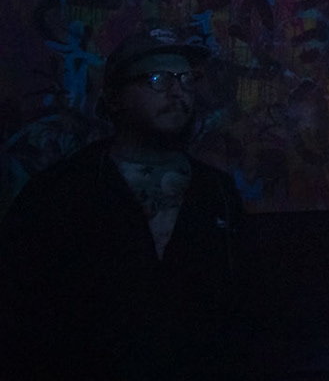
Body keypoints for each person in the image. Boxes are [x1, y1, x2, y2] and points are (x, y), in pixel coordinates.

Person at [0, 21, 252, 380]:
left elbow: (240, 308)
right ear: (115, 98)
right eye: (157, 79)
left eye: (185, 79)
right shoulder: (62, 191)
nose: (177, 92)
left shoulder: (217, 192)